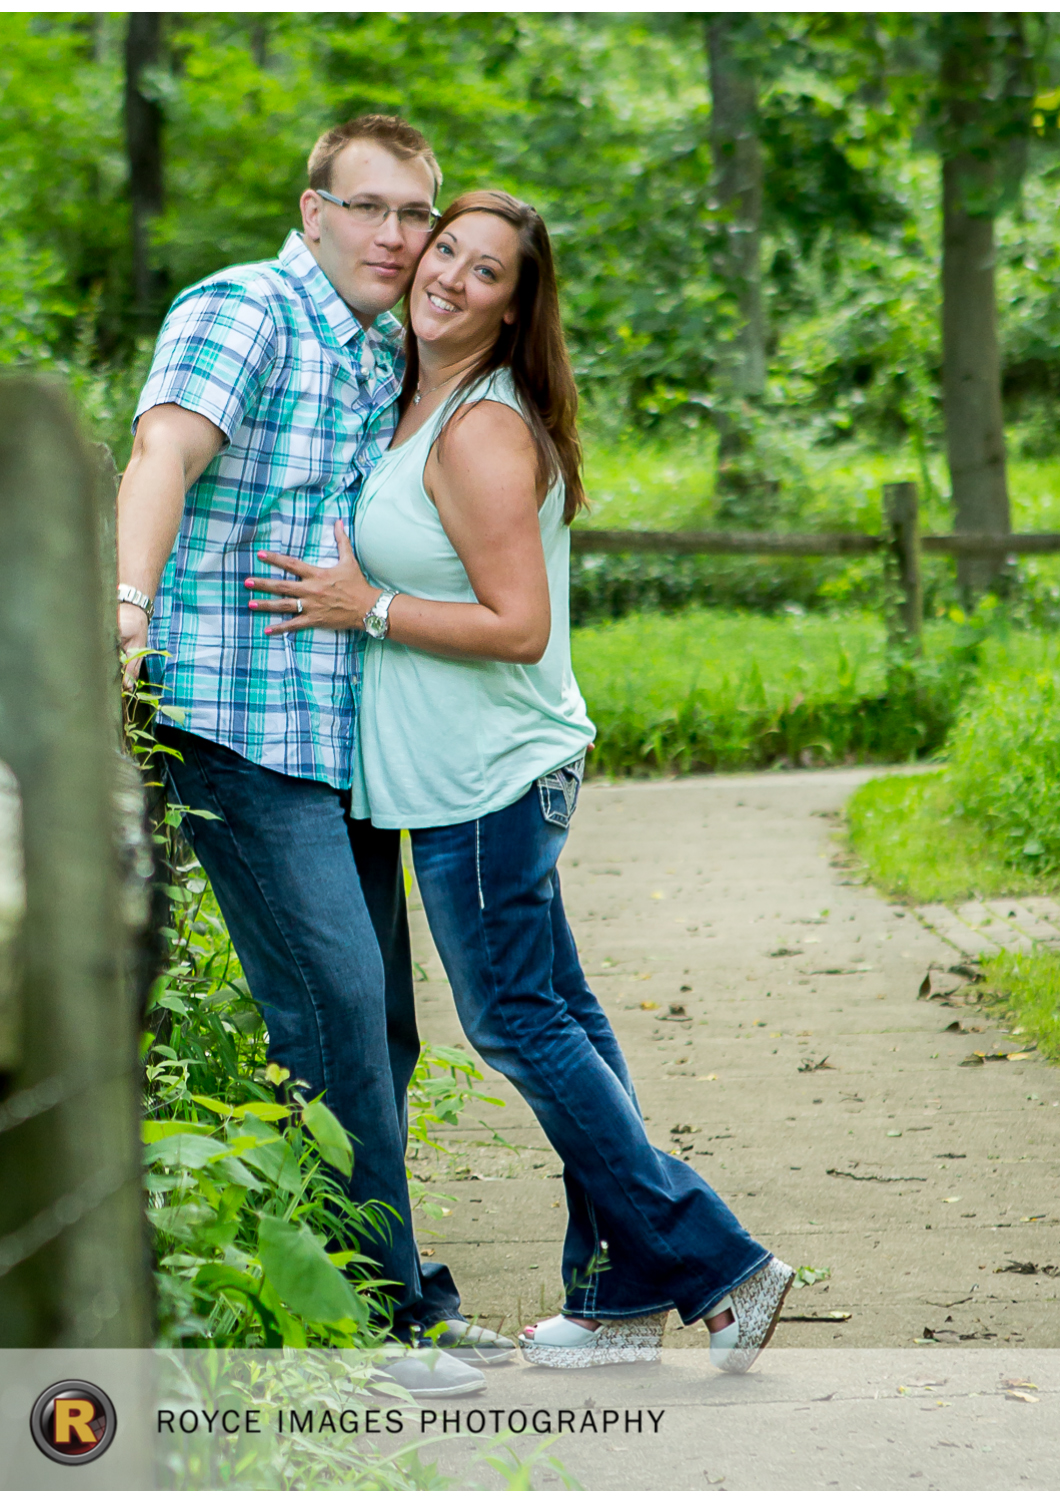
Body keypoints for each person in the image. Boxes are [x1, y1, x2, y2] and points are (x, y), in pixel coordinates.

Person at [246, 190, 796, 1373]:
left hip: (487, 780)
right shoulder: (413, 404)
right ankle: (612, 1300)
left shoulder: (481, 429)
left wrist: (367, 607)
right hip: (467, 778)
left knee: (519, 1023)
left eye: (483, 271)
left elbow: (518, 624)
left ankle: (722, 1262)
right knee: (566, 1023)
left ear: (512, 309)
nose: (446, 275)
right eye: (445, 250)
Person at [115, 117, 511, 1390]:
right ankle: (392, 1322)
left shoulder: (380, 344)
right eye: (373, 209)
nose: (398, 238)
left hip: (334, 731)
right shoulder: (247, 311)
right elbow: (162, 452)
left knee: (377, 1026)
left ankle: (345, 1278)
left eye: (416, 216)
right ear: (314, 211)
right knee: (335, 1002)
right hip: (234, 725)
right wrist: (125, 607)